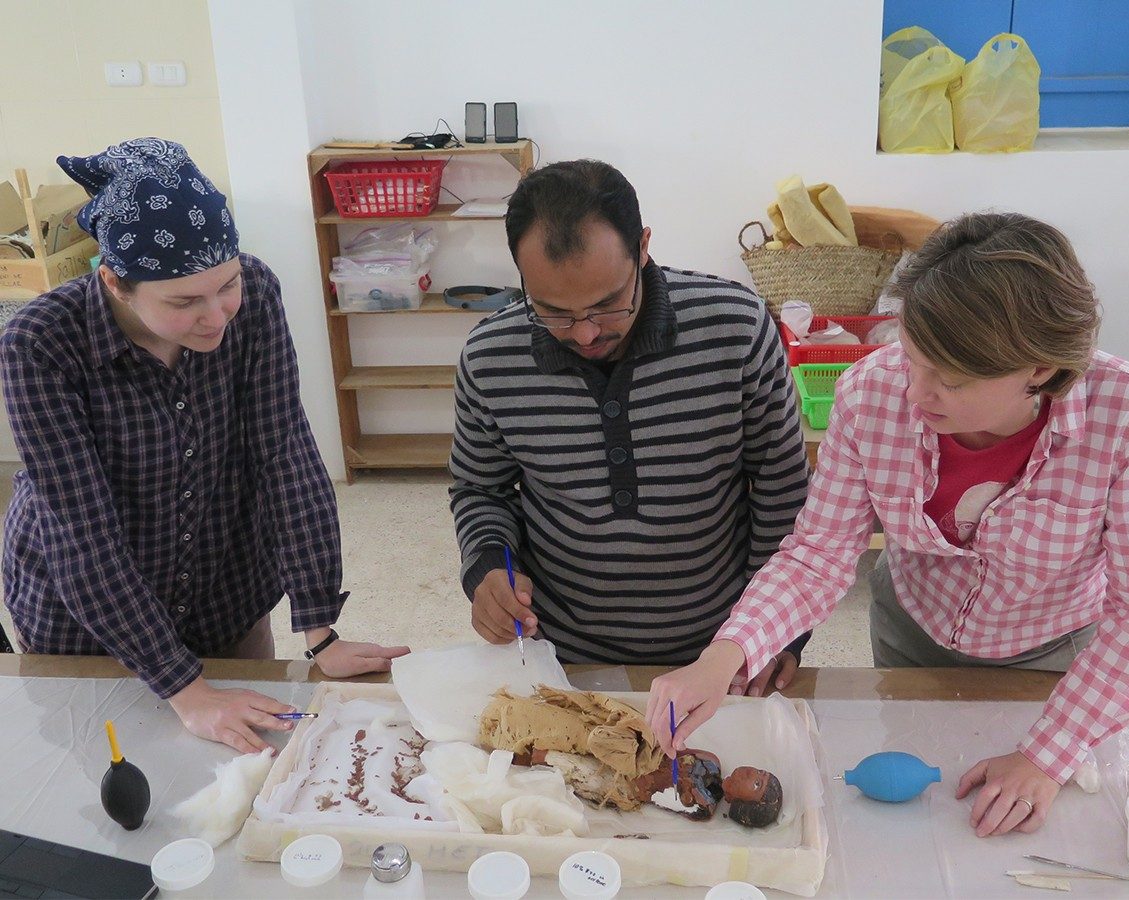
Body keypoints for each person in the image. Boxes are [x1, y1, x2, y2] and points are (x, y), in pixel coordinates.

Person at [647, 212, 1129, 836]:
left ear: (1039, 371)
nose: (915, 394)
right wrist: (727, 653)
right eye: (911, 359)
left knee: (1031, 822)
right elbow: (819, 553)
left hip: (1054, 653)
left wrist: (1046, 756)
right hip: (913, 625)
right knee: (916, 804)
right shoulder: (870, 394)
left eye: (951, 380)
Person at [0, 138, 409, 754]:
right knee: (113, 772)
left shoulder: (258, 297)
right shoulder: (40, 343)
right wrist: (186, 690)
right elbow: (81, 531)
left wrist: (320, 630)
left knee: (248, 766)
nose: (217, 316)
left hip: (225, 590)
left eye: (226, 285)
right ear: (114, 283)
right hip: (92, 621)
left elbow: (286, 457)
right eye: (183, 301)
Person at [450, 159, 811, 687]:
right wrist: (487, 569)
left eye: (608, 304)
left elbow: (781, 489)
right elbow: (481, 489)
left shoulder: (735, 328)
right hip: (561, 656)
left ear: (642, 248)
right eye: (552, 311)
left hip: (724, 651)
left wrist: (774, 629)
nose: (586, 334)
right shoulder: (489, 357)